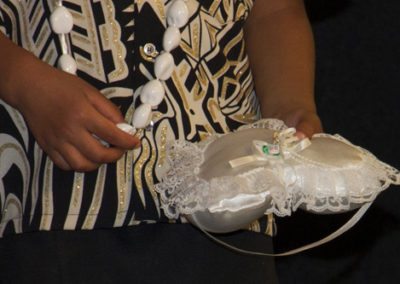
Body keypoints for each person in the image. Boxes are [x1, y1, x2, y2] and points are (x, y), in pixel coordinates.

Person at [0, 0, 321, 282]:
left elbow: (275, 10)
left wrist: (290, 106)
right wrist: (25, 81)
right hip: (42, 198)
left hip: (226, 199)